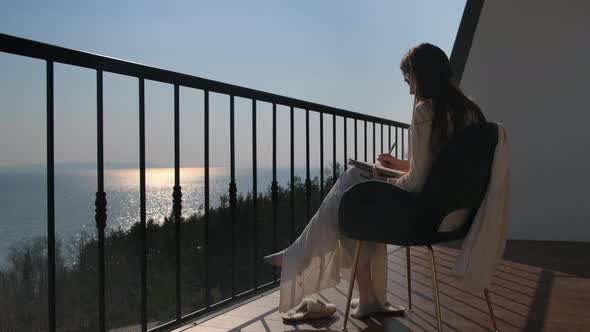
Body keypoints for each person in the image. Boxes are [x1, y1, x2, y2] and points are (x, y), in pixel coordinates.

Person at [264, 43, 487, 319]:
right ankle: (365, 295)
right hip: (457, 216)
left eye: (410, 81)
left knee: (354, 185)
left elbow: (416, 184)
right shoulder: (472, 114)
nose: (409, 91)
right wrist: (399, 167)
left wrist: (384, 181)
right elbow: (439, 170)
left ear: (422, 76)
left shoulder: (425, 112)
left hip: (427, 218)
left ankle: (299, 254)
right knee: (360, 196)